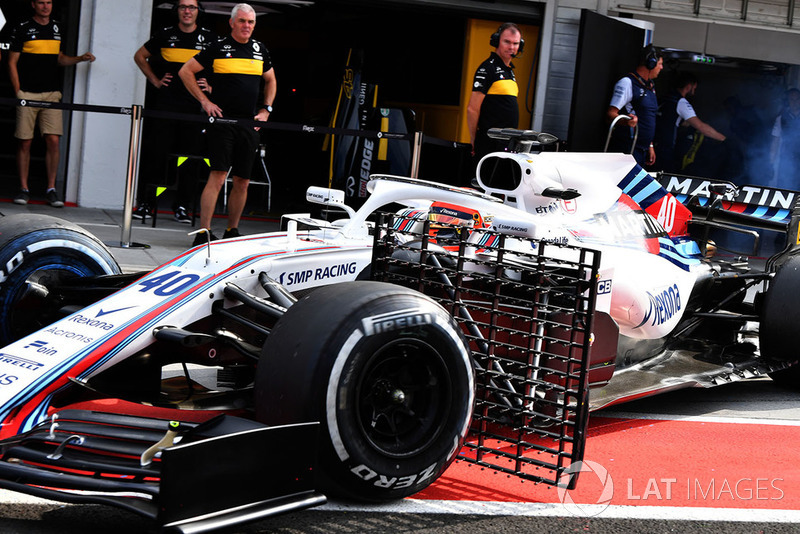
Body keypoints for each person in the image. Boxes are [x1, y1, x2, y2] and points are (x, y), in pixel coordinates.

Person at [179, 3, 276, 245]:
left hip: (249, 124)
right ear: (232, 23)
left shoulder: (260, 49)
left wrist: (266, 110)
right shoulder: (218, 47)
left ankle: (232, 230)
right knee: (219, 175)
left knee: (242, 180)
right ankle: (203, 233)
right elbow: (185, 71)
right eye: (242, 21)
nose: (246, 26)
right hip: (222, 121)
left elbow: (271, 80)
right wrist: (205, 101)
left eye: (251, 22)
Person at [132, 0, 216, 224]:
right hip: (166, 106)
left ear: (199, 11)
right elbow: (139, 56)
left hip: (195, 108)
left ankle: (182, 207)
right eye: (183, 7)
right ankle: (148, 204)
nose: (187, 11)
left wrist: (212, 86)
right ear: (176, 11)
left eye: (192, 7)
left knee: (189, 159)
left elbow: (223, 65)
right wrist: (156, 81)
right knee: (157, 156)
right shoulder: (165, 34)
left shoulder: (209, 38)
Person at [7, 0, 95, 207]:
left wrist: (80, 58)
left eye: (49, 2)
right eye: (41, 3)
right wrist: (18, 91)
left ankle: (51, 189)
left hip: (52, 94)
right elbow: (11, 62)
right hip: (27, 93)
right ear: (33, 5)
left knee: (53, 141)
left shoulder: (58, 28)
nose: (46, 6)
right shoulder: (23, 27)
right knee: (25, 142)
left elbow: (59, 59)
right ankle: (23, 188)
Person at [467, 23, 523, 165]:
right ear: (496, 41)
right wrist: (474, 139)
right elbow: (472, 108)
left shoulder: (510, 71)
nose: (511, 47)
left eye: (515, 43)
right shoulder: (487, 68)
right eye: (507, 42)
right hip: (489, 143)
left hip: (507, 142)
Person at [653, 71, 726, 173]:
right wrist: (724, 139)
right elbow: (701, 126)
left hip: (652, 145)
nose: (694, 91)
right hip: (665, 148)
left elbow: (668, 118)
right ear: (689, 86)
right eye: (694, 88)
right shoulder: (681, 102)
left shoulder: (663, 98)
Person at [606, 44, 663, 167]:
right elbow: (611, 114)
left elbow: (648, 117)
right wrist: (626, 122)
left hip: (643, 149)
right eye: (660, 64)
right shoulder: (627, 83)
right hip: (628, 148)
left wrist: (650, 145)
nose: (661, 68)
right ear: (651, 63)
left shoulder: (651, 87)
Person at [770, 88, 800, 189]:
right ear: (788, 101)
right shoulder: (781, 118)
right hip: (786, 160)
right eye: (792, 99)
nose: (795, 102)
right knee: (784, 187)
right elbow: (775, 141)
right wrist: (771, 163)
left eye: (797, 99)